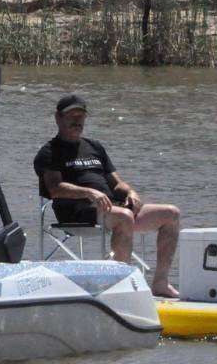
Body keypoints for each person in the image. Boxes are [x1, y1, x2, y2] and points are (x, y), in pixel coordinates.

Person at [34, 93, 180, 298]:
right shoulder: (49, 152)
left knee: (171, 214)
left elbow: (117, 183)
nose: (77, 121)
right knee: (123, 217)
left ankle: (160, 283)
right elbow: (55, 188)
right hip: (76, 211)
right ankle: (120, 286)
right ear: (58, 118)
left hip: (111, 207)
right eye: (71, 116)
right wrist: (89, 192)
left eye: (80, 116)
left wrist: (130, 192)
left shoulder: (94, 147)